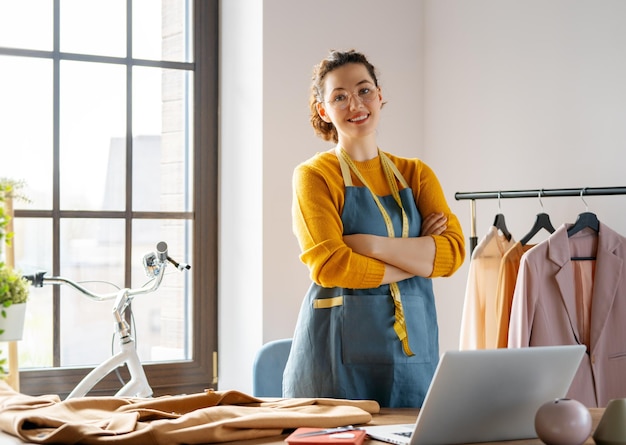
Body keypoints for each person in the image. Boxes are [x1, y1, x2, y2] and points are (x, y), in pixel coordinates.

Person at [282, 49, 466, 408]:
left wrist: (369, 245)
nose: (355, 104)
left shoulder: (416, 174)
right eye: (339, 97)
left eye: (364, 90)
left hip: (413, 354)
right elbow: (330, 265)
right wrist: (417, 258)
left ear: (380, 95)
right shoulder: (315, 176)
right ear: (324, 110)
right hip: (335, 362)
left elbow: (453, 255)